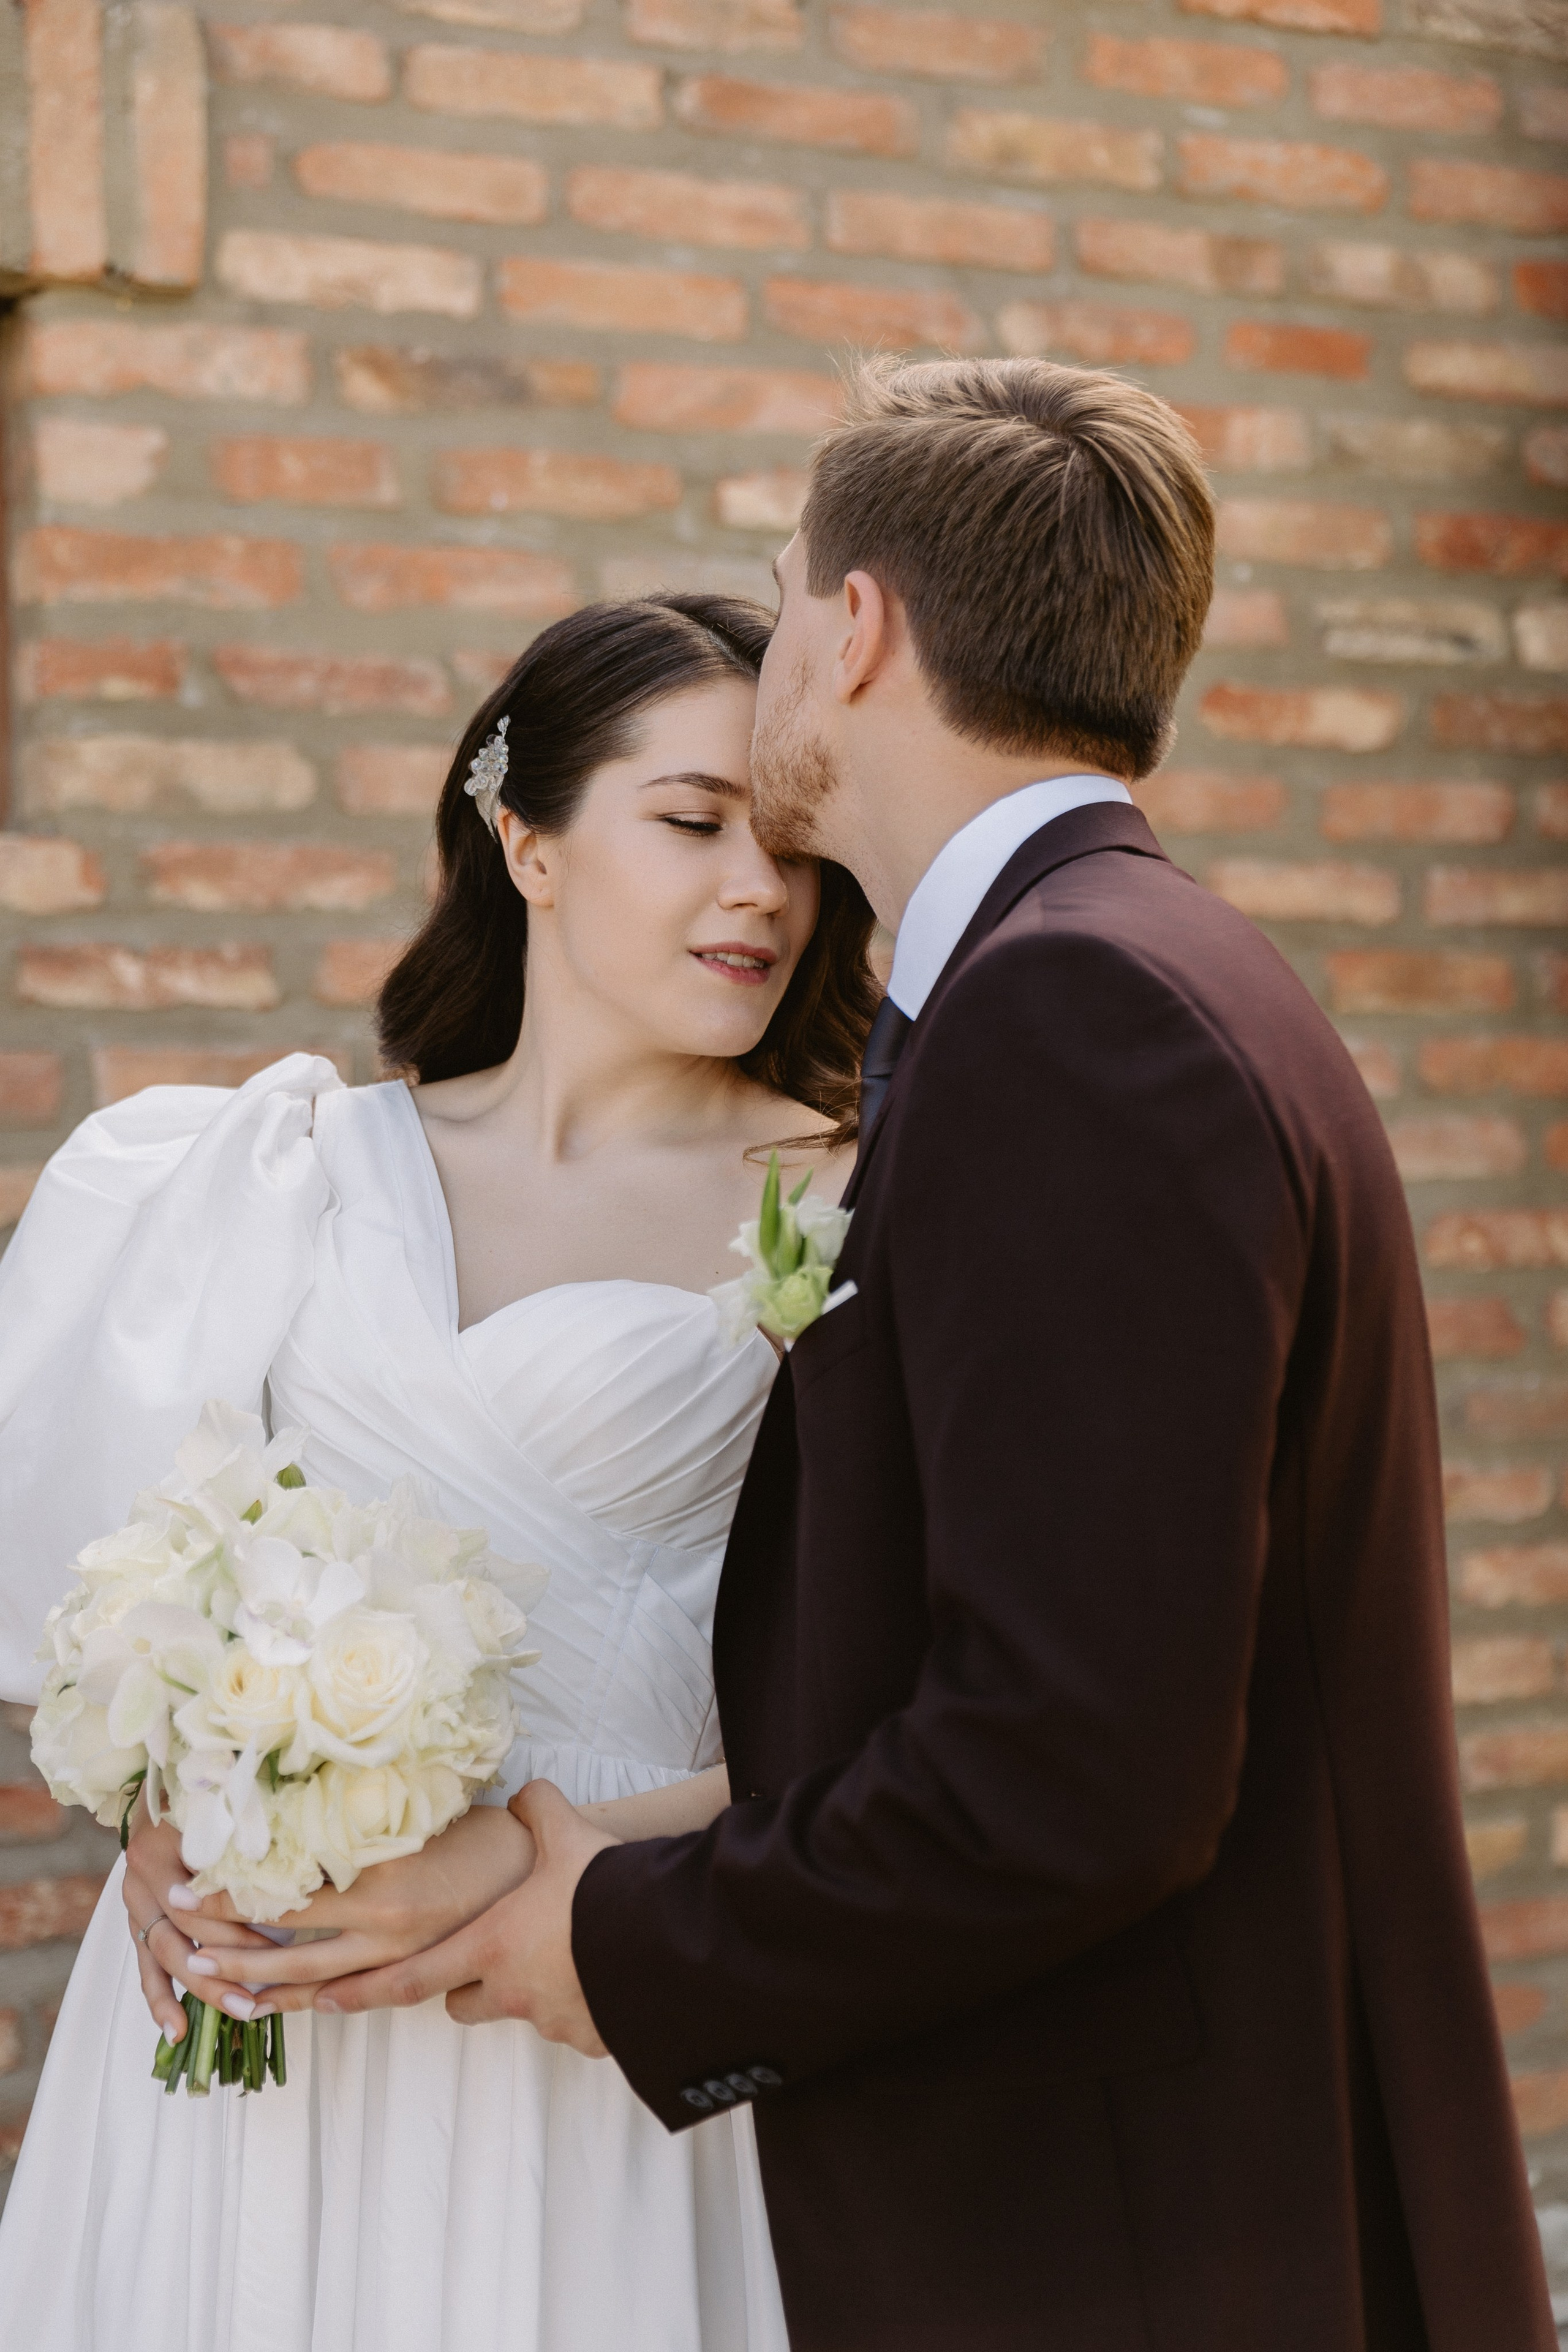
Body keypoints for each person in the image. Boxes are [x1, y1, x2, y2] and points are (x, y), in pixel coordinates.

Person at [255, 357, 1553, 2350]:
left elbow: (1069, 1772)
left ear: (855, 631)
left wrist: (619, 1936)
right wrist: (614, 1827)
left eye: (785, 598)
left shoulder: (1078, 1024)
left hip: (1132, 2235)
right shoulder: (1122, 975)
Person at [0, 591, 878, 2352]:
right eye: (695, 822)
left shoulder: (859, 1200)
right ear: (527, 839)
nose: (762, 893)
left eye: (793, 846)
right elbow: (122, 1583)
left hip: (587, 1993)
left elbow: (889, 1696)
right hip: (256, 2017)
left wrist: (541, 1862)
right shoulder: (277, 1167)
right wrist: (168, 1797)